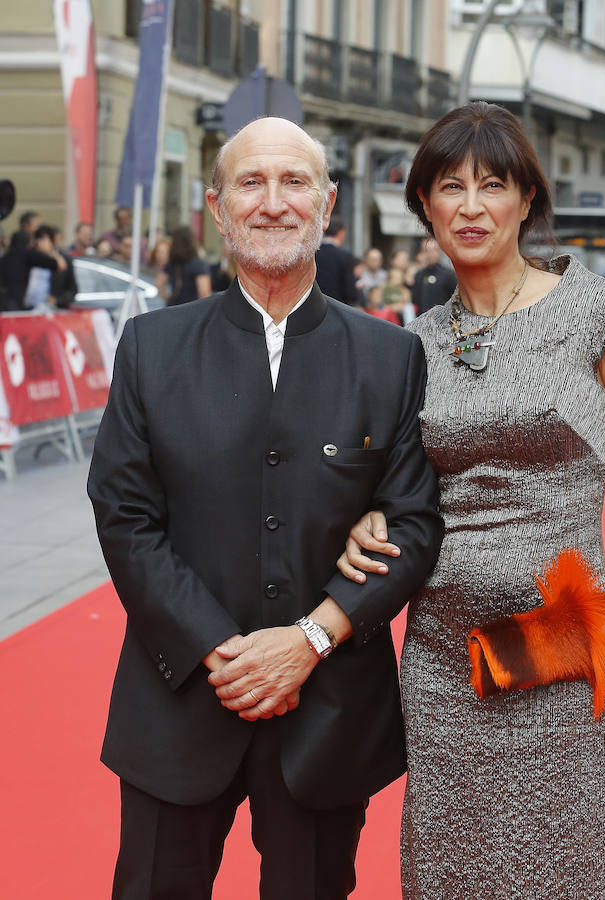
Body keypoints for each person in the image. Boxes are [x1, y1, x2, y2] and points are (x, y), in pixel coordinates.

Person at [336, 102, 605, 897]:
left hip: (560, 649)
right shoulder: (414, 342)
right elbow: (397, 481)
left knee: (563, 866)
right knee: (450, 871)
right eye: (448, 188)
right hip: (438, 660)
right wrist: (367, 513)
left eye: (491, 185)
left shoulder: (593, 310)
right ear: (423, 204)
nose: (469, 206)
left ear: (526, 199)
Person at [87, 116, 443, 899]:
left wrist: (309, 640)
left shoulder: (390, 356)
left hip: (328, 718)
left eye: (294, 183)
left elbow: (415, 524)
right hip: (176, 701)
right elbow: (124, 517)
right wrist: (223, 649)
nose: (273, 202)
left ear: (327, 204)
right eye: (251, 182)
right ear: (217, 207)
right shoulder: (152, 347)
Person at [0, 226, 63, 311]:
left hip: (39, 306)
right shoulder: (29, 254)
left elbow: (60, 266)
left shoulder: (6, 257)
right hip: (23, 306)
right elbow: (59, 265)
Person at [157, 225, 212, 306]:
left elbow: (159, 283)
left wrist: (168, 298)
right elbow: (204, 293)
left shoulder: (171, 263)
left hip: (173, 309)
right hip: (192, 311)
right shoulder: (199, 264)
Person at [315, 217, 361, 306]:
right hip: (338, 307)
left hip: (315, 306)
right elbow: (350, 292)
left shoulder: (313, 254)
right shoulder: (345, 256)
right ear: (341, 233)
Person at [410, 237, 457, 315]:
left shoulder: (448, 274)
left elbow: (454, 299)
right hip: (422, 319)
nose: (430, 254)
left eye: (433, 251)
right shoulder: (418, 275)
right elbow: (415, 299)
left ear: (438, 252)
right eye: (427, 251)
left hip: (442, 321)